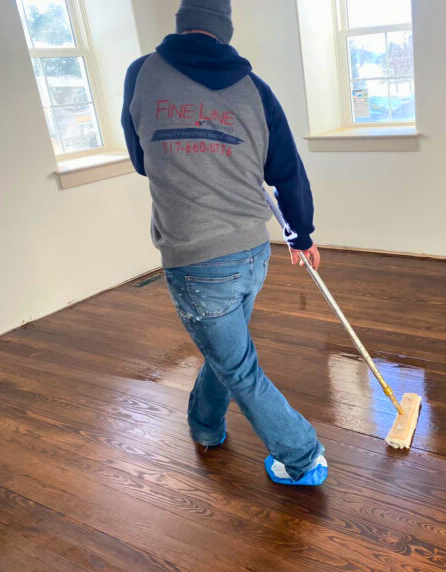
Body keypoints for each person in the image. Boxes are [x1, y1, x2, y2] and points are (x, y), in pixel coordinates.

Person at [121, 0, 327, 486]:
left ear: (180, 21)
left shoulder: (141, 74)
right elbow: (286, 171)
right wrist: (301, 235)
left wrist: (186, 152)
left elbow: (140, 159)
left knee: (239, 367)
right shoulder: (255, 89)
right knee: (229, 355)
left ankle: (302, 456)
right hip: (254, 254)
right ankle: (205, 425)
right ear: (224, 29)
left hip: (195, 260)